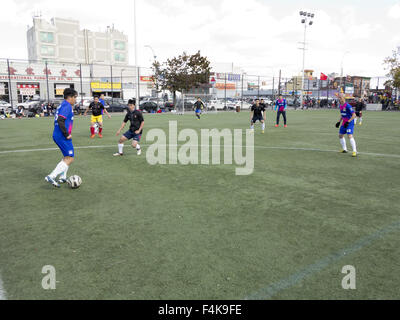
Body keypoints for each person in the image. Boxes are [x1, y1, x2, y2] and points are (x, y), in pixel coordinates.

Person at [45, 88, 77, 188]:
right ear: (70, 97)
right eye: (75, 97)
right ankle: (52, 176)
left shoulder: (63, 105)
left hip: (59, 134)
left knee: (66, 157)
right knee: (70, 158)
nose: (75, 100)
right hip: (62, 135)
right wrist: (66, 134)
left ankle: (63, 177)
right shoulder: (67, 106)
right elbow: (60, 120)